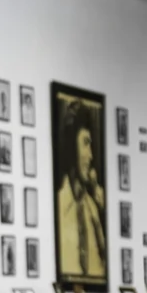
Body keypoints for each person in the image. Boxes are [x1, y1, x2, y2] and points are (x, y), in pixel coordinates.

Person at [55, 117, 106, 283]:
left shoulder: (93, 209)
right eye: (85, 143)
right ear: (71, 148)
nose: (90, 156)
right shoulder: (58, 208)